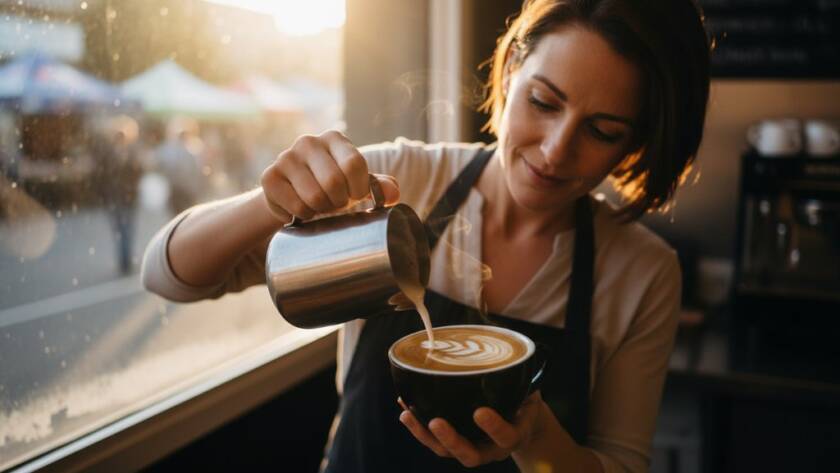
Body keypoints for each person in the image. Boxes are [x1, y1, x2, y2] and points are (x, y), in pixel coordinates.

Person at [141, 0, 710, 471]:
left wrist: (536, 439)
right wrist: (270, 202)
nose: (556, 149)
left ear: (634, 145)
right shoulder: (396, 181)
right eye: (543, 102)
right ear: (510, 72)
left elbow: (621, 462)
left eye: (602, 130)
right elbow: (169, 277)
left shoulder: (642, 271)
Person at [93, 115, 144, 274]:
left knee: (125, 229)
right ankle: (124, 260)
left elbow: (138, 173)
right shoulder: (108, 154)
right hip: (116, 197)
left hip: (125, 197)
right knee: (121, 230)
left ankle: (125, 261)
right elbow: (101, 176)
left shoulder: (131, 154)